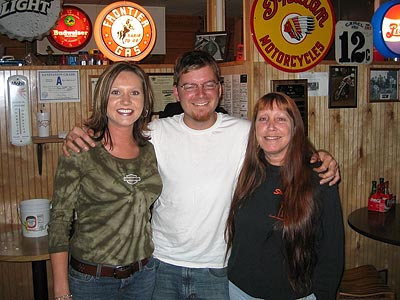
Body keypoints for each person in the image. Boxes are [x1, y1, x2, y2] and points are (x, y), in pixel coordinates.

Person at [62, 50, 340, 300]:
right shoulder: (154, 132)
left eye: (208, 85)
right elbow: (115, 136)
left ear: (219, 89)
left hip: (217, 268)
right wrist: (83, 134)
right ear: (176, 92)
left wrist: (319, 157)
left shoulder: (246, 132)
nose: (200, 94)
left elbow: (282, 142)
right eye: (190, 86)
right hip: (161, 264)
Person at [48, 62, 163, 300]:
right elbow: (59, 220)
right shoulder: (81, 149)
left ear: (145, 101)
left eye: (134, 92)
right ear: (103, 99)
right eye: (116, 92)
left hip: (143, 275)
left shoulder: (149, 150)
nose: (126, 100)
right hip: (92, 281)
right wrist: (61, 289)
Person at [225, 92, 344, 300]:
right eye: (263, 119)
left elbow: (332, 252)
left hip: (297, 295)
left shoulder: (319, 176)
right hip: (238, 292)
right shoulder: (243, 169)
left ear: (295, 127)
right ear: (255, 129)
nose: (271, 126)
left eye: (281, 119)